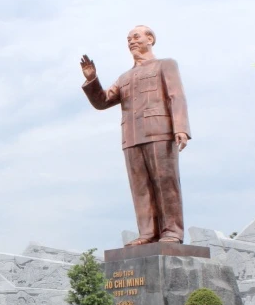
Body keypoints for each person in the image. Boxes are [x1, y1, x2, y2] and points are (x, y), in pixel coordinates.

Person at [80, 25, 191, 245]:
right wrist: (92, 79)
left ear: (150, 39)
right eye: (128, 38)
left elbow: (176, 96)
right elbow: (102, 101)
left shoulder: (165, 65)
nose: (131, 41)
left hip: (160, 131)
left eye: (136, 36)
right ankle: (147, 233)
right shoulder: (124, 78)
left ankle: (172, 232)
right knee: (140, 188)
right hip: (131, 137)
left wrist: (181, 128)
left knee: (165, 183)